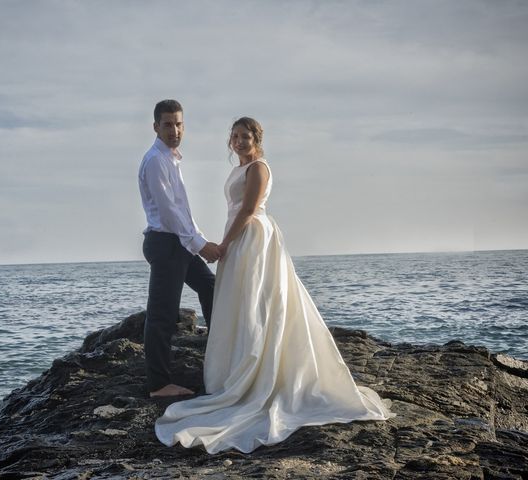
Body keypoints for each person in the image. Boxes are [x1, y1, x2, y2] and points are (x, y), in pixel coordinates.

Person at [154, 116, 395, 453]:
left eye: (244, 136)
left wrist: (223, 244)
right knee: (241, 303)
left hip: (253, 238)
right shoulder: (240, 167)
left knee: (257, 302)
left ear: (257, 138)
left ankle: (259, 370)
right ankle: (236, 368)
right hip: (240, 239)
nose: (238, 141)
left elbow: (249, 209)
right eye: (234, 136)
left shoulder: (258, 168)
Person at [138, 99, 221, 398]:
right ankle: (159, 384)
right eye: (168, 124)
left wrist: (199, 239)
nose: (174, 130)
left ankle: (219, 356)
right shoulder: (156, 161)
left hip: (178, 242)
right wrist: (200, 245)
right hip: (166, 243)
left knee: (210, 287)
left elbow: (182, 212)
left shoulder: (171, 159)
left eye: (179, 124)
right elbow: (170, 213)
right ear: (156, 127)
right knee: (162, 313)